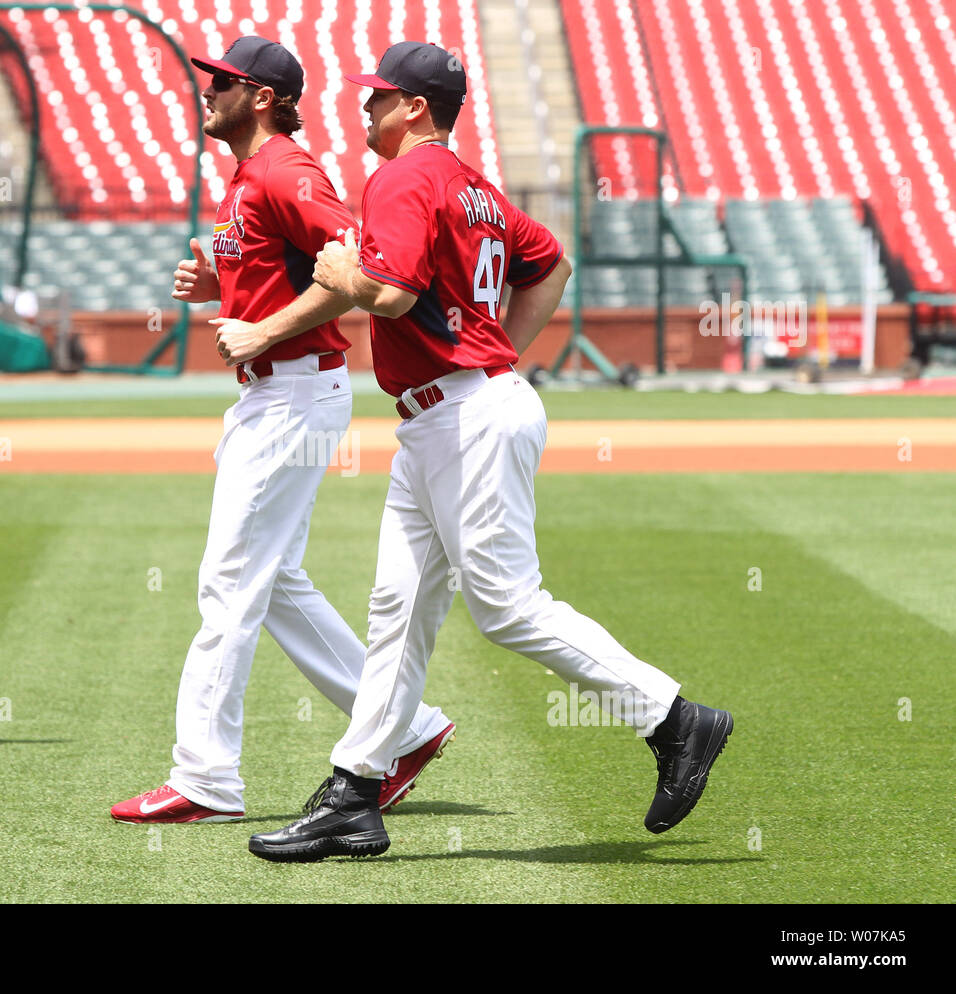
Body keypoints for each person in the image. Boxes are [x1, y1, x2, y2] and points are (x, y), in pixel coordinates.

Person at [249, 42, 733, 861]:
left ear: (414, 108)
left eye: (379, 98)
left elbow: (394, 295)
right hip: (454, 411)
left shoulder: (403, 176)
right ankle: (354, 793)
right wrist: (498, 354)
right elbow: (552, 264)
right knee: (396, 610)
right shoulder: (470, 184)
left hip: (463, 415)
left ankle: (674, 718)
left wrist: (349, 277)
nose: (366, 109)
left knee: (506, 605)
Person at [111, 36, 454, 825]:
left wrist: (263, 332)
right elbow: (291, 270)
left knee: (229, 581)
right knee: (273, 582)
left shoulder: (286, 170)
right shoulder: (251, 174)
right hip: (281, 393)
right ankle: (407, 730)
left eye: (223, 81)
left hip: (293, 391)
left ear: (261, 96)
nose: (209, 90)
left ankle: (205, 780)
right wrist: (222, 286)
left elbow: (354, 265)